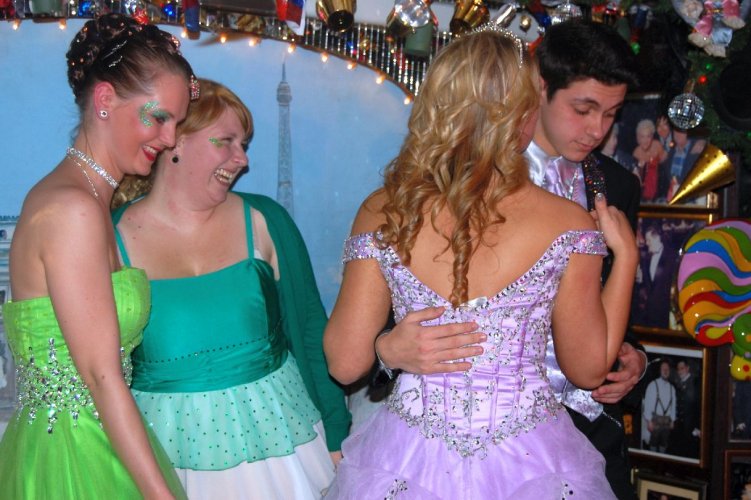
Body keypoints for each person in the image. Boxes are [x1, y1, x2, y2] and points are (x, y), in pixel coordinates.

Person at [323, 26, 638, 499]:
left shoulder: (382, 209)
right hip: (531, 459)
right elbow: (589, 371)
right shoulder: (567, 223)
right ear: (522, 114)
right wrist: (627, 256)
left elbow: (346, 364)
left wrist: (387, 349)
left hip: (408, 457)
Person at [111, 78, 351, 499]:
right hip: (161, 454)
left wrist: (336, 434)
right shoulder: (109, 238)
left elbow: (311, 330)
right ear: (174, 141)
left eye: (245, 144)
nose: (242, 159)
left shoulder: (266, 220)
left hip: (280, 450)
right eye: (226, 142)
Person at [0, 13, 195, 499]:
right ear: (105, 100)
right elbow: (101, 376)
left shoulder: (84, 201)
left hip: (92, 441)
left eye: (176, 123)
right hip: (75, 457)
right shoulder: (72, 209)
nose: (170, 139)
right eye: (159, 117)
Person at [634, 224, 675, 329]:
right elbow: (645, 283)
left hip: (665, 313)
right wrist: (639, 279)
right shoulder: (646, 259)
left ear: (657, 238)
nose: (646, 243)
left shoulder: (671, 258)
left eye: (649, 240)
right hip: (649, 313)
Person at [660, 128, 706, 202]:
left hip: (692, 201)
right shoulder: (670, 152)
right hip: (671, 200)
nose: (678, 134)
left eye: (681, 131)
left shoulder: (697, 148)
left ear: (688, 132)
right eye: (676, 130)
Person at [667, 359, 700, 457]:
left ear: (687, 368)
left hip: (691, 426)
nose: (680, 371)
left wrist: (698, 427)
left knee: (690, 452)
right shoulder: (677, 384)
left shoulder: (695, 383)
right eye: (678, 369)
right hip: (679, 426)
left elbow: (699, 406)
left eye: (682, 368)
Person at [641, 360, 676, 453]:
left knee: (664, 444)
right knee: (653, 444)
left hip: (667, 421)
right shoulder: (652, 385)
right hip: (655, 420)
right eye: (663, 369)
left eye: (667, 369)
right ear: (660, 371)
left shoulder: (672, 388)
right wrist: (649, 421)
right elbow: (647, 405)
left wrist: (672, 420)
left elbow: (673, 405)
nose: (665, 371)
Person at [631, 119, 667, 202]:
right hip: (644, 193)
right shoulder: (636, 153)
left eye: (648, 136)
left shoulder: (657, 146)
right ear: (638, 138)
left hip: (659, 190)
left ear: (652, 137)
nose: (645, 140)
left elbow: (666, 167)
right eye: (642, 137)